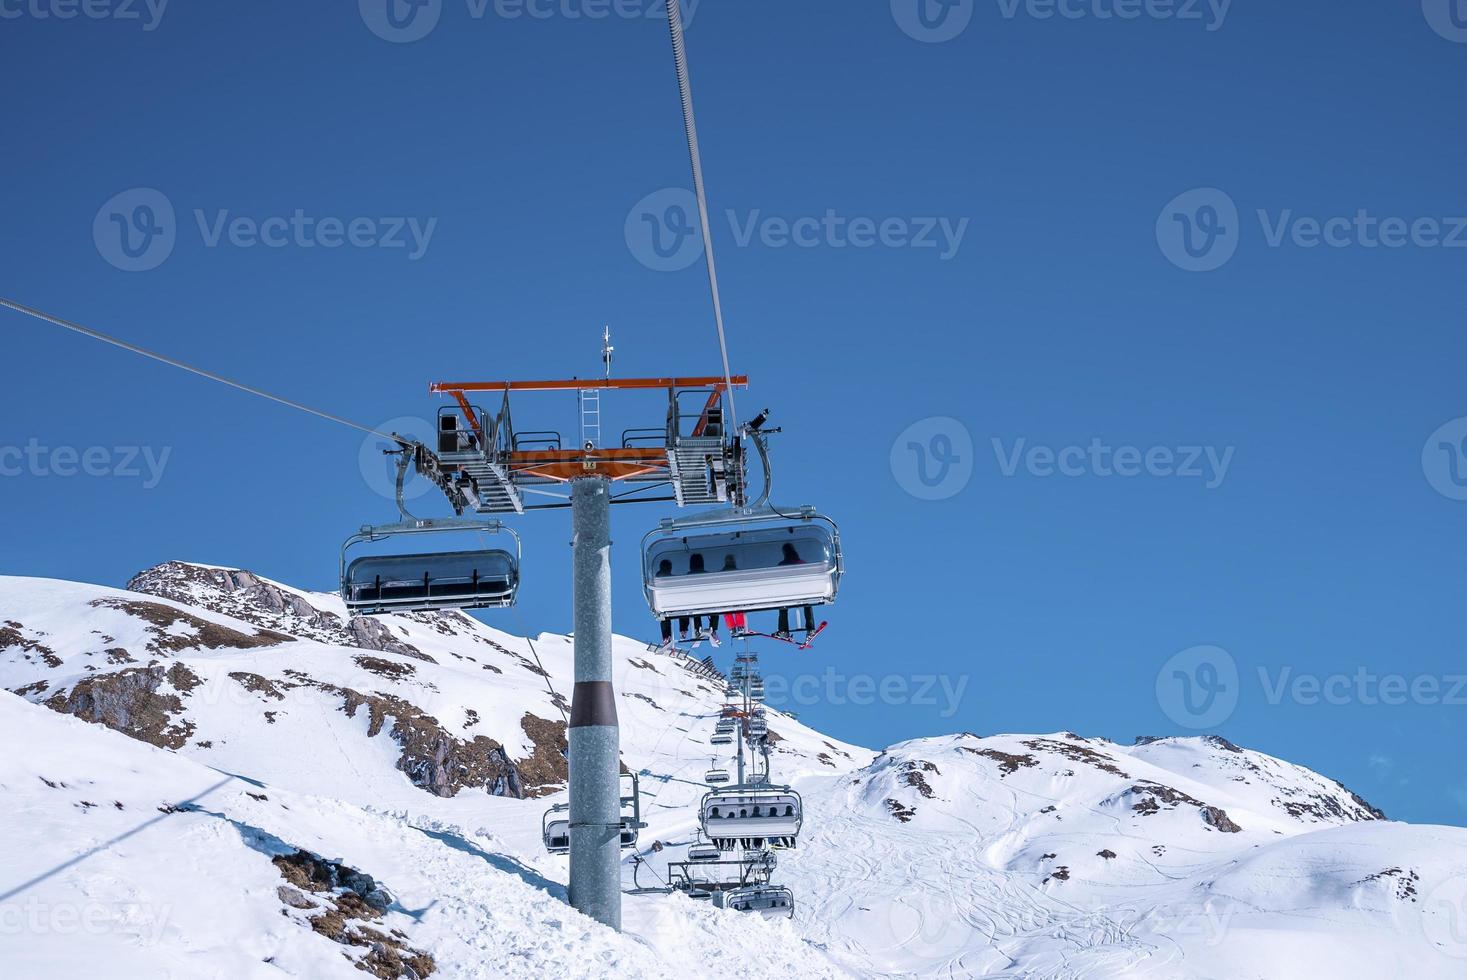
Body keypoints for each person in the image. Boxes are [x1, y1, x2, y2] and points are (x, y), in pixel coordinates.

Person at [774, 543, 815, 640]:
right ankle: (810, 628)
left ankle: (783, 630)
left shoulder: (782, 564)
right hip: (803, 591)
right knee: (807, 604)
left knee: (783, 606)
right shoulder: (802, 563)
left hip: (788, 592)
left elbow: (776, 578)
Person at [687, 553, 720, 647]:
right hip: (707, 600)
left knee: (694, 610)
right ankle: (713, 629)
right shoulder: (706, 574)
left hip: (696, 601)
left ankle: (698, 629)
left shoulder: (689, 576)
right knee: (715, 609)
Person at [720, 554, 749, 636]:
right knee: (737, 609)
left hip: (728, 594)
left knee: (729, 610)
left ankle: (735, 627)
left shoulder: (723, 572)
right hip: (735, 593)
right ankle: (737, 627)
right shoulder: (736, 571)